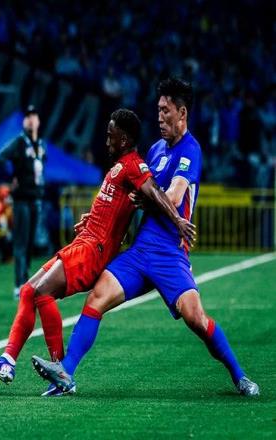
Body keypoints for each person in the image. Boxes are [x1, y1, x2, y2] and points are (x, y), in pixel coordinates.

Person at [31, 78, 259, 397]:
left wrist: (148, 199)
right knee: (97, 298)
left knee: (196, 319)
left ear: (182, 113)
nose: (160, 117)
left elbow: (174, 197)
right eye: (158, 110)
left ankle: (240, 376)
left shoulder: (190, 150)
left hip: (169, 254)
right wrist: (97, 218)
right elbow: (132, 194)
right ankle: (66, 374)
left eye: (166, 111)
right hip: (140, 252)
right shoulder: (154, 149)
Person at [0, 108, 195, 396]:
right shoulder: (120, 166)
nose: (106, 141)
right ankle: (7, 362)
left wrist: (177, 220)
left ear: (125, 139)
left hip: (93, 249)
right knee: (29, 291)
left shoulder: (134, 165)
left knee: (42, 293)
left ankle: (60, 370)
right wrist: (92, 218)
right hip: (84, 241)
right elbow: (114, 205)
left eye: (111, 136)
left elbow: (154, 191)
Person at [0, 105, 46, 299]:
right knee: (21, 243)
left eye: (34, 116)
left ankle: (27, 281)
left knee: (31, 243)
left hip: (35, 198)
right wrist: (12, 176)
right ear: (24, 122)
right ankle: (19, 284)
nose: (31, 120)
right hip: (22, 199)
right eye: (28, 117)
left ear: (38, 121)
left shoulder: (40, 144)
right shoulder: (18, 143)